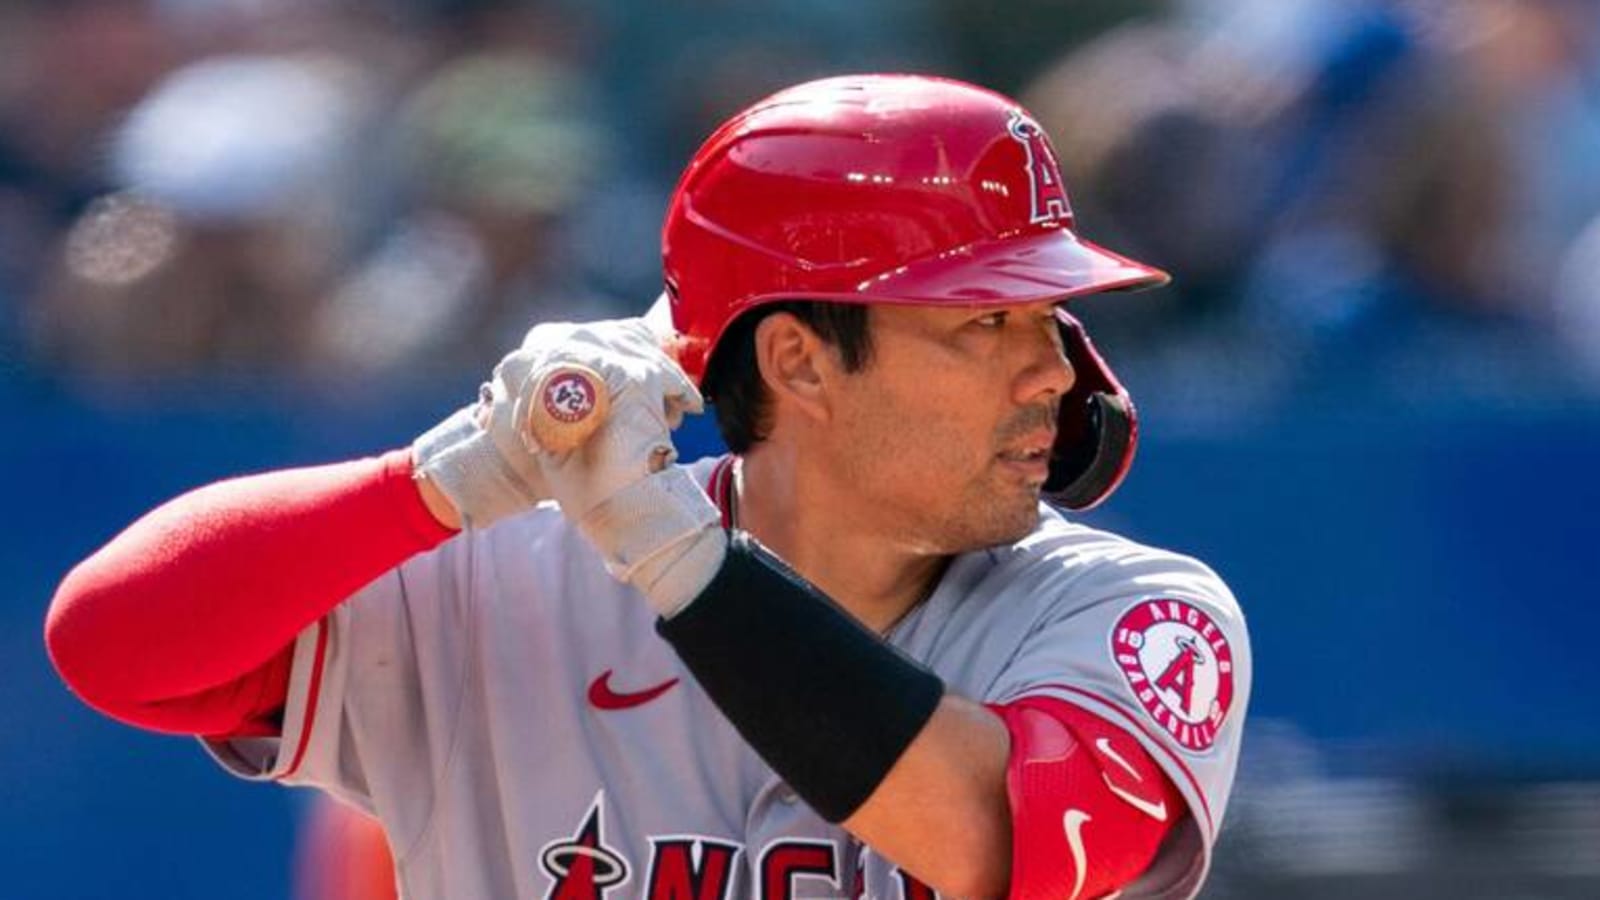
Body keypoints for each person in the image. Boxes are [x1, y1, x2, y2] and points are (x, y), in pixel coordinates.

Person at [45, 74, 1249, 899]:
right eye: (987, 322)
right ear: (797, 359)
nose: (1052, 371)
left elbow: (984, 838)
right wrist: (447, 477)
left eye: (1048, 318)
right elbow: (113, 646)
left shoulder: (1129, 611)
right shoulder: (501, 583)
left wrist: (673, 556)